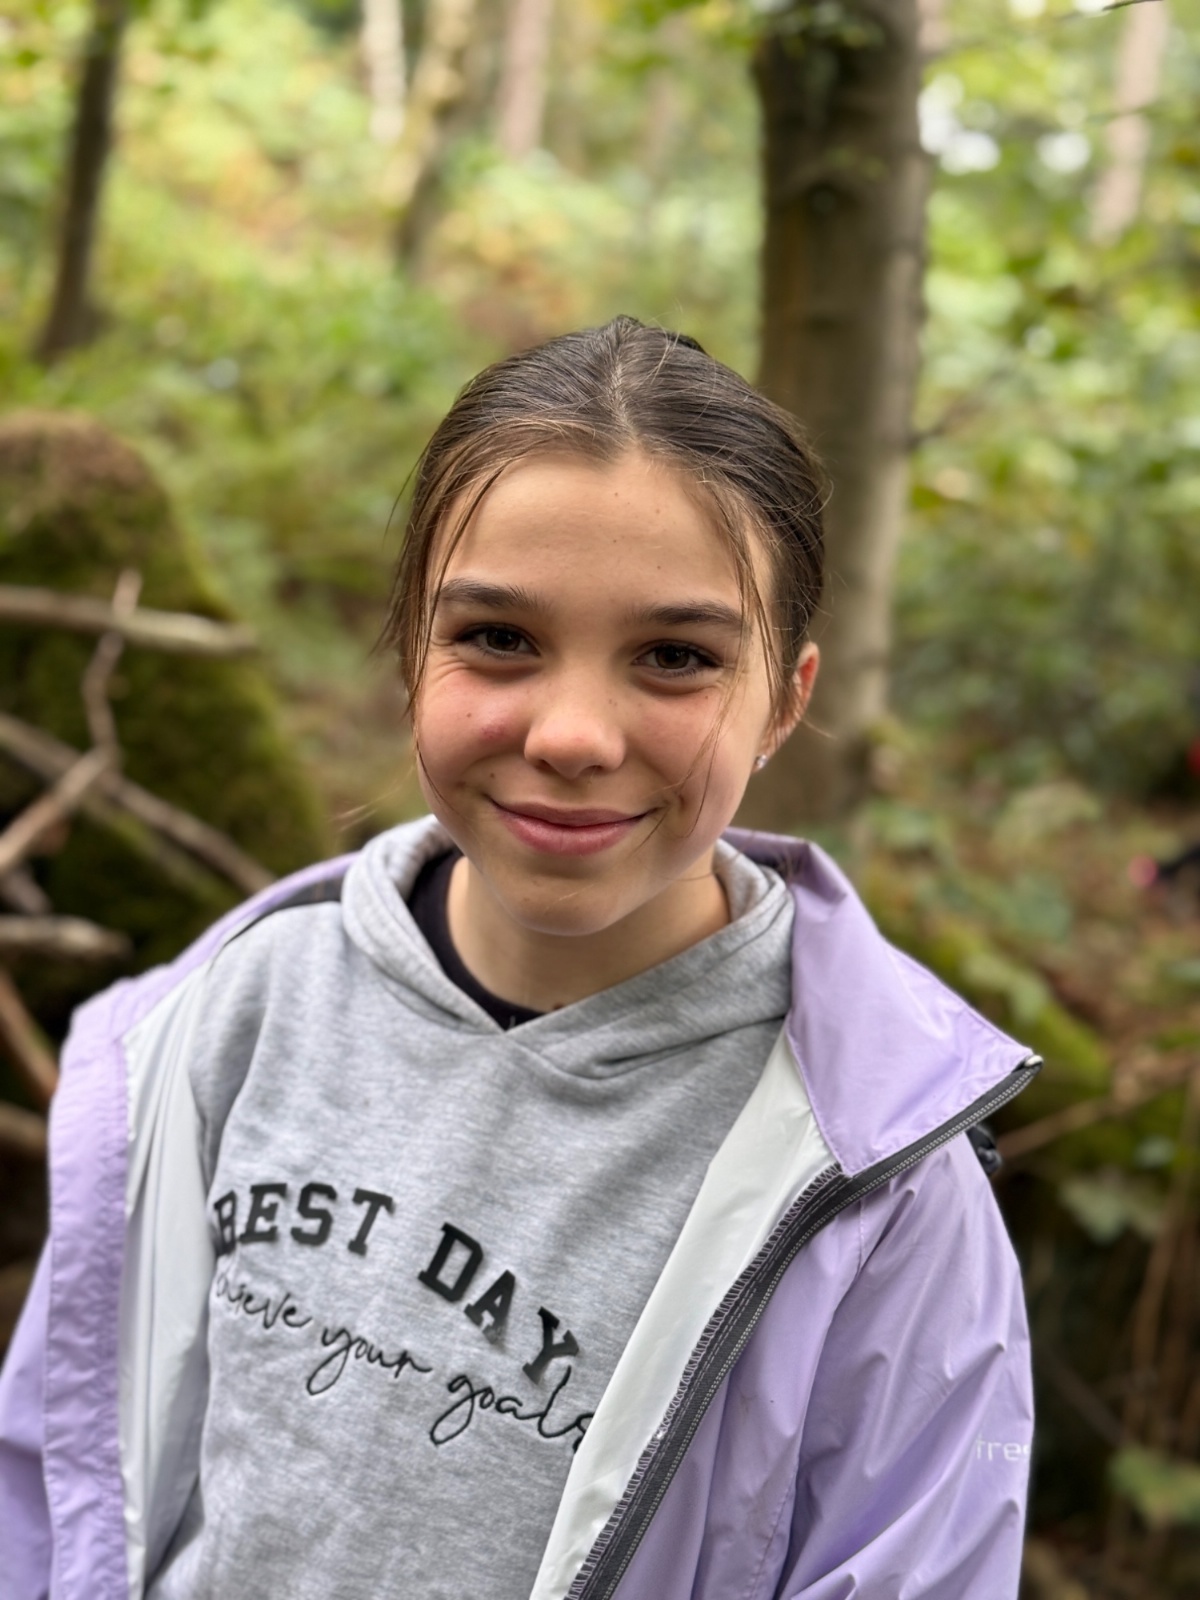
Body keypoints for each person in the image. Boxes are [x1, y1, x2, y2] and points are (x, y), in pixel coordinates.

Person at [0, 318, 1039, 1600]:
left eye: (676, 658)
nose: (572, 734)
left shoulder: (878, 1190)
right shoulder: (218, 1023)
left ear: (785, 696)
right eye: (499, 637)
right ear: (409, 646)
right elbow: (54, 1493)